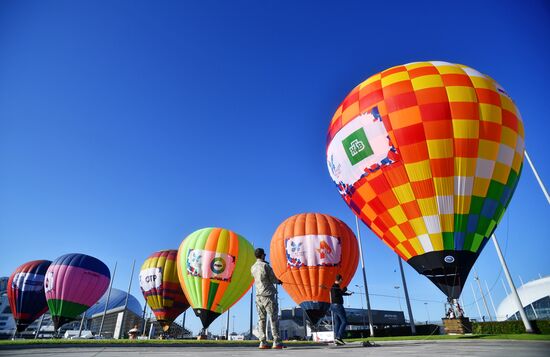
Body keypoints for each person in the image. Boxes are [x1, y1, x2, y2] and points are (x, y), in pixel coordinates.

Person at [250, 248, 283, 349]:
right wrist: (279, 281)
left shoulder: (253, 267)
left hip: (258, 296)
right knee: (273, 318)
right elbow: (272, 279)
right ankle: (276, 341)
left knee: (261, 319)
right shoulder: (265, 266)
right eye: (264, 254)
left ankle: (262, 342)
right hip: (268, 295)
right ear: (262, 255)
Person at [330, 274, 352, 345]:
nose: (342, 281)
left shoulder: (335, 287)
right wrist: (343, 290)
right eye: (341, 280)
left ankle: (337, 339)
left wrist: (348, 294)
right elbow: (336, 294)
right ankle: (338, 337)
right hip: (338, 306)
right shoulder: (335, 286)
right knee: (344, 321)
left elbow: (340, 293)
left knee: (338, 322)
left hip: (333, 306)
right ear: (339, 280)